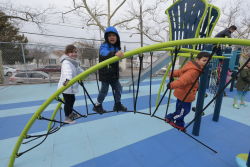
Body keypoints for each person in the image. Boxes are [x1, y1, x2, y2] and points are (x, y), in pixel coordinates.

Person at [165, 52, 210, 131]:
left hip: (183, 93)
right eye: (204, 60)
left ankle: (177, 122)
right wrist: (171, 85)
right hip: (185, 95)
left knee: (180, 110)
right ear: (197, 60)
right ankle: (171, 119)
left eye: (208, 61)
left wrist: (172, 73)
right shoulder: (194, 71)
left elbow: (181, 72)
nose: (206, 63)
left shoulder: (191, 66)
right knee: (184, 111)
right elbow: (183, 80)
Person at [93, 26, 127, 113]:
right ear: (107, 38)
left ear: (117, 37)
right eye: (109, 36)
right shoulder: (104, 46)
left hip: (114, 74)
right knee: (104, 90)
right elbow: (104, 54)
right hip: (105, 73)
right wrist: (114, 54)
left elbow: (118, 58)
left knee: (119, 88)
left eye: (114, 35)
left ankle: (117, 104)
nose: (112, 37)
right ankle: (97, 105)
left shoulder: (117, 47)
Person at [57, 44, 84, 124]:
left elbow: (79, 70)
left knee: (72, 100)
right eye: (71, 52)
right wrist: (67, 80)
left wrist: (86, 73)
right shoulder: (66, 62)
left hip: (71, 86)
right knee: (68, 102)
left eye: (75, 52)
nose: (74, 54)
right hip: (66, 86)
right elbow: (67, 72)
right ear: (67, 53)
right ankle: (67, 118)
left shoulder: (74, 62)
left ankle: (71, 114)